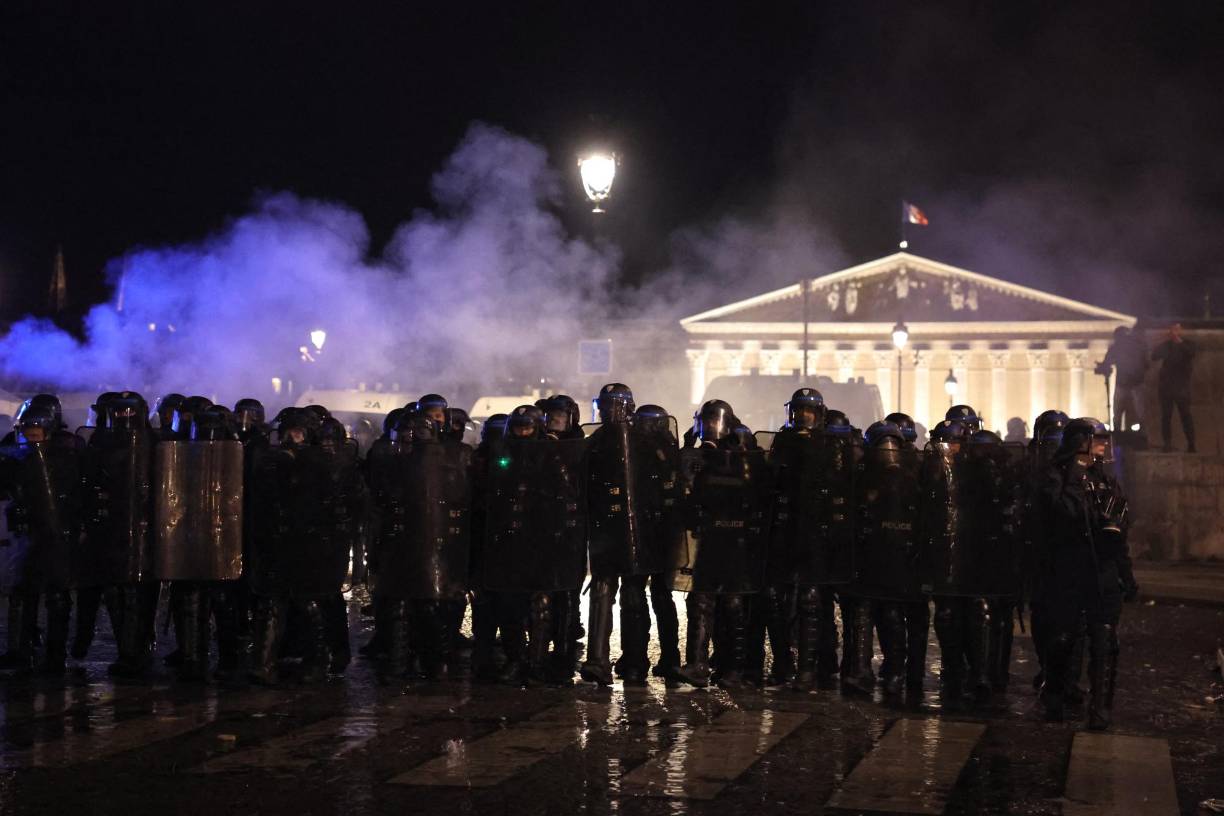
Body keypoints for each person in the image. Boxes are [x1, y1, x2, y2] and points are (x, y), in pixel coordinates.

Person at [1038, 418, 1137, 729]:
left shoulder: (1106, 481)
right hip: (1069, 568)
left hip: (1102, 569)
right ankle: (1054, 695)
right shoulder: (1056, 477)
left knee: (1104, 639)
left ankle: (1100, 706)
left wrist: (1126, 574)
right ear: (1079, 441)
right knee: (1063, 637)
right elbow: (1056, 515)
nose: (1104, 445)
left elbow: (1118, 533)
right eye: (1097, 439)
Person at [1151, 323, 1197, 452]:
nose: (1174, 332)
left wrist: (1179, 342)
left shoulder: (1188, 344)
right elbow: (1154, 356)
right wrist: (1162, 341)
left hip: (1182, 387)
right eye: (1172, 329)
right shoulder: (1166, 345)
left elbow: (1191, 353)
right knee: (1166, 417)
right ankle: (1167, 443)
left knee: (1186, 416)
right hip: (1166, 387)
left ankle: (1191, 444)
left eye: (1177, 329)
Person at [1101, 325, 1148, 434]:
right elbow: (1146, 364)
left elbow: (1107, 362)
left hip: (1125, 383)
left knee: (1118, 408)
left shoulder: (1117, 347)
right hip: (1135, 382)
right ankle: (1141, 430)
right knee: (1139, 410)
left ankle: (1118, 429)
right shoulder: (1138, 346)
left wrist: (1104, 367)